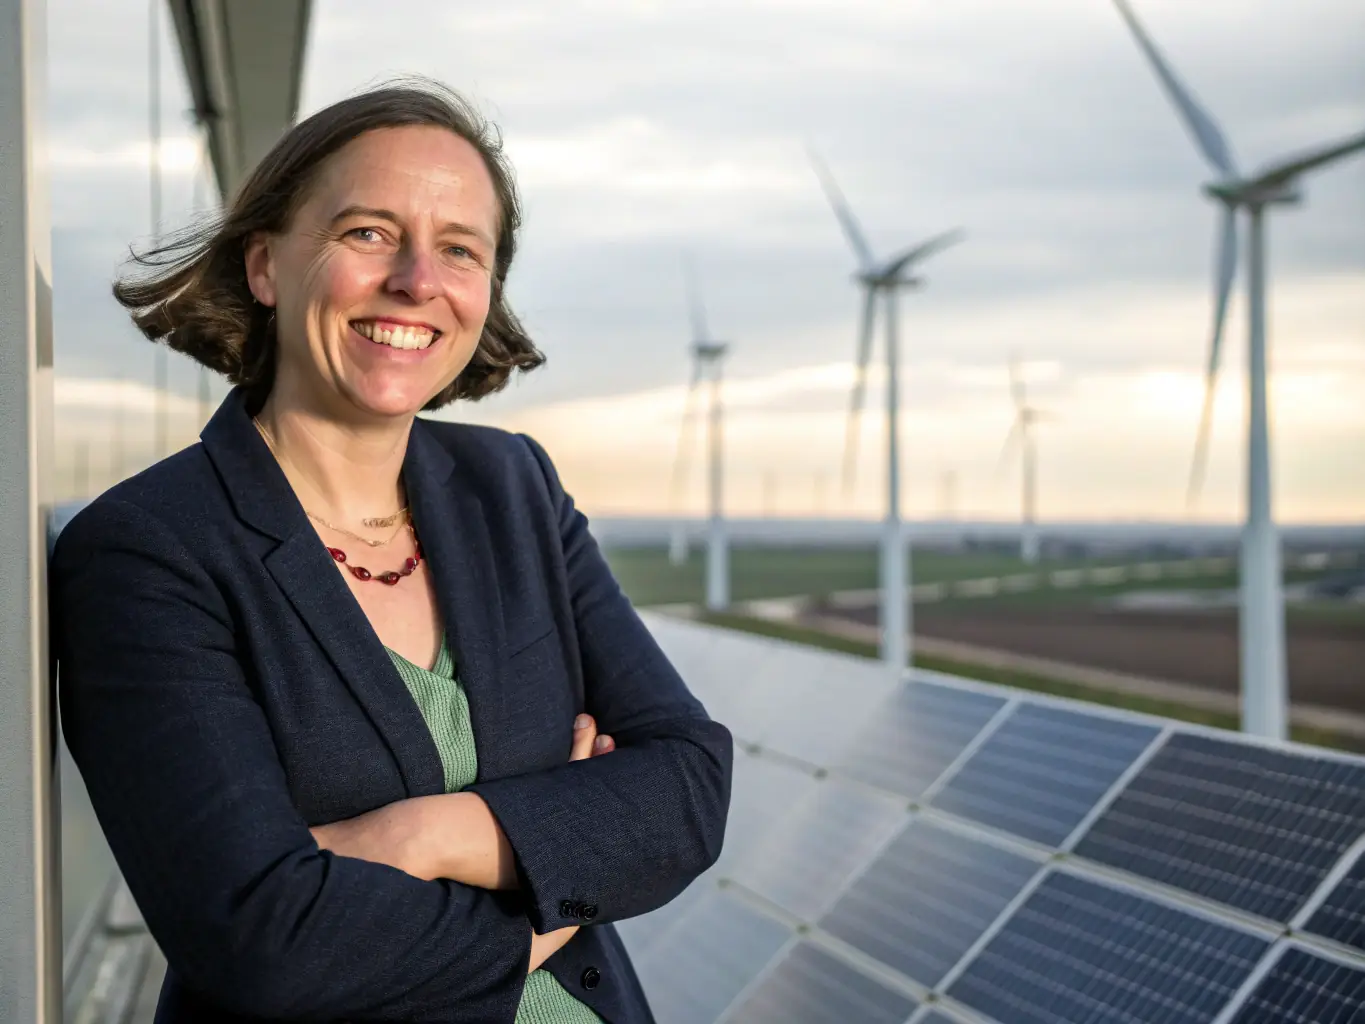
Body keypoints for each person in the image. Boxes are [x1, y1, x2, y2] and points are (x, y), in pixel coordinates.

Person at [51, 79, 732, 1024]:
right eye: (368, 232)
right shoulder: (148, 551)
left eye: (459, 249)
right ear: (264, 266)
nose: (417, 280)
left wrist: (417, 836)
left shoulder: (514, 489)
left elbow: (689, 788)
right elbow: (265, 941)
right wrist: (553, 870)